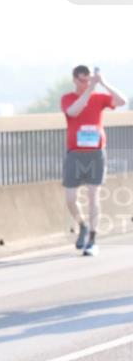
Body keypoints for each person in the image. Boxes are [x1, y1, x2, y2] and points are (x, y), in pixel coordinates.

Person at [61, 65, 127, 257]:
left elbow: (122, 101)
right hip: (75, 152)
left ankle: (92, 239)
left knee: (93, 196)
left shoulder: (99, 98)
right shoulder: (68, 98)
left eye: (89, 80)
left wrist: (103, 82)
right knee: (70, 198)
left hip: (96, 151)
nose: (87, 83)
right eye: (83, 80)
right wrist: (90, 90)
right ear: (75, 79)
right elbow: (73, 112)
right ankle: (82, 225)